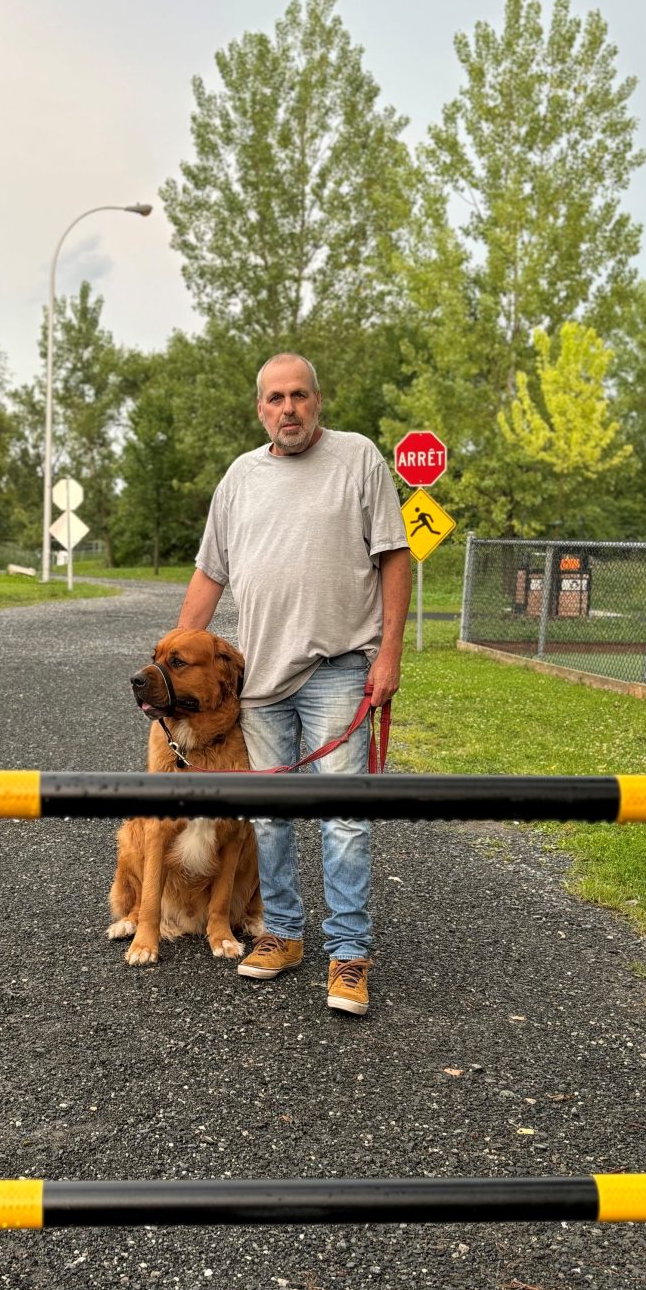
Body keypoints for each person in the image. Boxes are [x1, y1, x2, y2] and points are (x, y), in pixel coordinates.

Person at [176, 353, 410, 1017]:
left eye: (299, 396)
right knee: (271, 818)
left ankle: (349, 955)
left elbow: (395, 556)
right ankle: (282, 934)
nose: (288, 409)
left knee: (343, 819)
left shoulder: (358, 458)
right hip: (261, 681)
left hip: (341, 668)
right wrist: (170, 679)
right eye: (275, 398)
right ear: (260, 409)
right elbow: (207, 578)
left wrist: (388, 653)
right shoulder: (240, 478)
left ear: (318, 401)